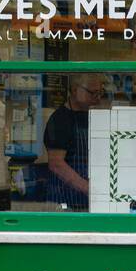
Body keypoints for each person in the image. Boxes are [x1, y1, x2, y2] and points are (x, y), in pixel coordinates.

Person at [43, 74, 104, 210]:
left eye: (100, 93)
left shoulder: (92, 116)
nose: (98, 98)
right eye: (93, 93)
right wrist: (88, 189)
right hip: (65, 201)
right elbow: (56, 164)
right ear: (75, 90)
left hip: (88, 201)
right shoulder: (60, 119)